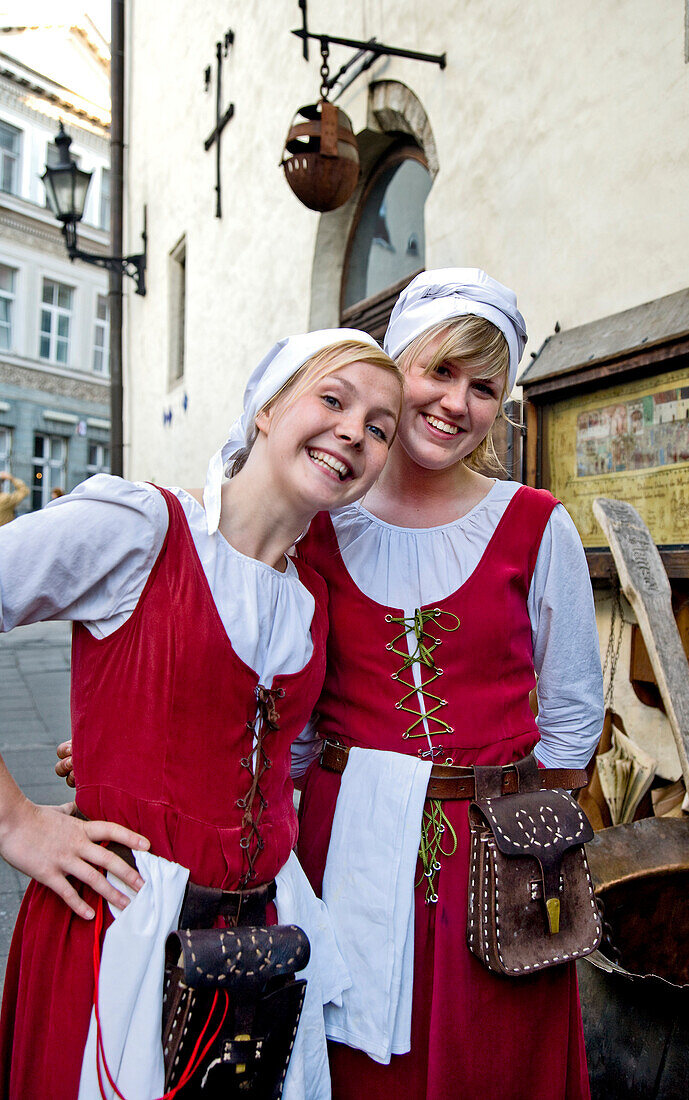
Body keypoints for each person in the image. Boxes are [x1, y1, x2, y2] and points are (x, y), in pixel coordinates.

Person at [0, 330, 403, 1100]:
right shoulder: (141, 526)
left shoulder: (311, 599)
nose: (355, 431)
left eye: (380, 427)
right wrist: (15, 821)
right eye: (332, 398)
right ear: (265, 409)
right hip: (118, 928)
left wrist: (133, 742)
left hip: (261, 946)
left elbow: (260, 752)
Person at [293, 270, 605, 1100]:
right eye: (438, 372)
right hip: (346, 843)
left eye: (483, 387)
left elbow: (572, 722)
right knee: (362, 1069)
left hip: (498, 856)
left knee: (494, 1064)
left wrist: (514, 827)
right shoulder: (322, 523)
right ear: (395, 368)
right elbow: (283, 709)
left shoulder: (535, 522)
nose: (455, 403)